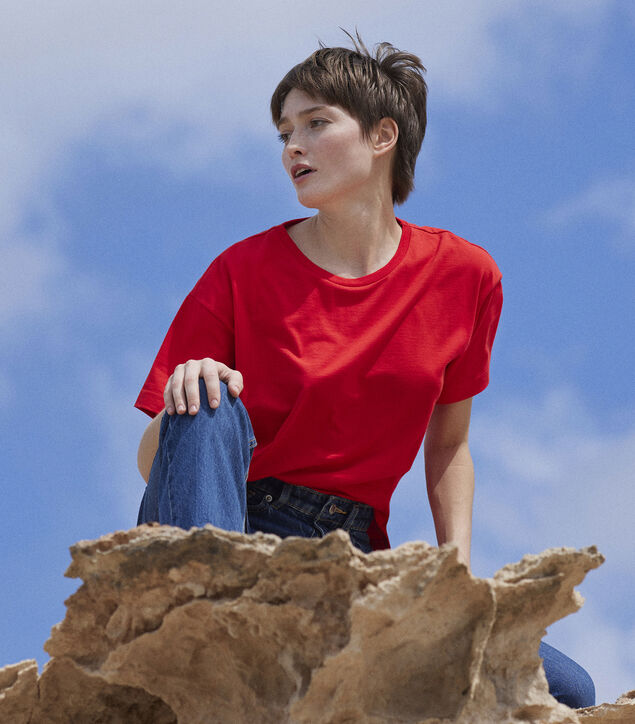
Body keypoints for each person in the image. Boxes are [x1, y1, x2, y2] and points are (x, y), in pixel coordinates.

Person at [134, 36, 595, 709]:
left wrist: (454, 580)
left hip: (346, 555)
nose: (293, 147)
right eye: (284, 132)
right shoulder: (241, 271)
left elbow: (449, 445)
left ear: (383, 136)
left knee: (567, 690)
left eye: (315, 123)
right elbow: (156, 460)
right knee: (207, 399)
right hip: (224, 522)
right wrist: (186, 394)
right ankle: (223, 637)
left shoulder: (464, 276)